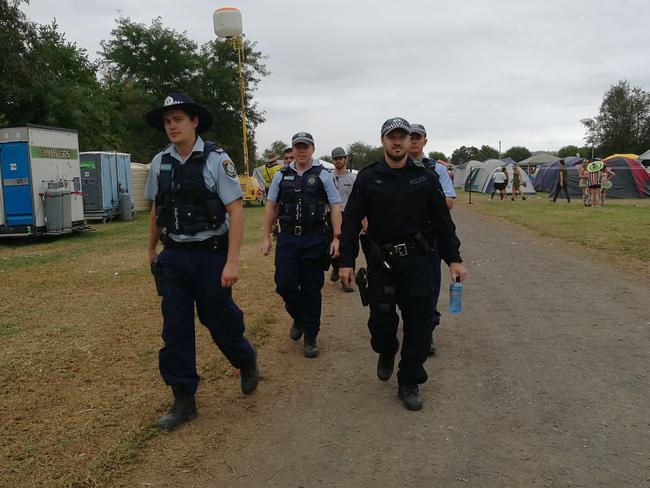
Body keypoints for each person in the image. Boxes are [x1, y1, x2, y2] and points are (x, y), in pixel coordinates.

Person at [144, 93, 259, 432]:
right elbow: (157, 208)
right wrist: (151, 248)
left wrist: (232, 262)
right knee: (175, 328)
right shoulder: (159, 162)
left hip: (211, 257)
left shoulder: (216, 160)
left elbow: (236, 212)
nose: (172, 126)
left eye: (178, 119)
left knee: (219, 321)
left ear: (194, 122)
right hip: (175, 257)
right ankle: (183, 399)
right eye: (167, 121)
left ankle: (245, 359)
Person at [339, 117, 466, 411]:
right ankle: (387, 349)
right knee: (381, 323)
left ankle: (409, 381)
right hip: (382, 262)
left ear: (411, 141)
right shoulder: (369, 178)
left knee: (419, 324)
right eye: (391, 137)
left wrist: (454, 259)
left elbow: (443, 222)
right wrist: (346, 261)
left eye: (403, 137)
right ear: (383, 141)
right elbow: (350, 222)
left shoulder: (426, 178)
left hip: (419, 261)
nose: (397, 142)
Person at [261, 132, 342, 358]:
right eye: (297, 147)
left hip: (315, 239)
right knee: (284, 284)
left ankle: (311, 336)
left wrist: (337, 237)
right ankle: (299, 316)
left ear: (312, 149)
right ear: (293, 150)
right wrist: (266, 236)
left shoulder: (323, 176)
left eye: (305, 146)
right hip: (287, 238)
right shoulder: (281, 175)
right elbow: (271, 206)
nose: (301, 151)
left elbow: (335, 206)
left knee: (311, 289)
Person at [408, 123, 455, 356]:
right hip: (401, 237)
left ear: (425, 141)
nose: (414, 141)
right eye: (410, 137)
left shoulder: (437, 169)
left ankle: (427, 331)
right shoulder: (394, 167)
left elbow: (449, 202)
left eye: (418, 137)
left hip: (428, 237)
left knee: (429, 286)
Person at [330, 146, 357, 292]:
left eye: (340, 158)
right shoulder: (328, 178)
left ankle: (347, 281)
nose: (338, 161)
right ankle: (335, 267)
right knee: (333, 245)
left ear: (346, 159)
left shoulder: (353, 178)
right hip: (332, 215)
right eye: (335, 158)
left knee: (350, 246)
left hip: (349, 215)